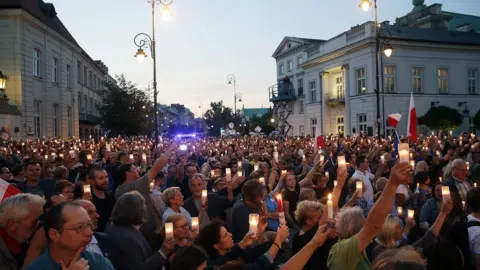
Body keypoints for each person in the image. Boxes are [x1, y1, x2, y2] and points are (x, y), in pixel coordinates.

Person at [327, 163, 412, 270]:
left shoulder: (355, 248)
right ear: (352, 232)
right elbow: (373, 225)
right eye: (363, 227)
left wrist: (339, 184)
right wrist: (392, 184)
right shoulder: (344, 250)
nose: (373, 235)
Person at [25, 202, 114, 269]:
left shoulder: (98, 262)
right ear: (54, 234)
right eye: (79, 227)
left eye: (89, 225)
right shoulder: (37, 267)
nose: (89, 232)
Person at [105, 191, 175, 270]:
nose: (144, 209)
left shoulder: (113, 226)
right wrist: (163, 252)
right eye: (142, 207)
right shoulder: (128, 238)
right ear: (135, 211)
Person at [0, 194, 45, 270]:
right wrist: (35, 249)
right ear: (12, 225)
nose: (38, 225)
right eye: (35, 221)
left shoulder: (19, 243)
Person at [88, 168, 115, 232]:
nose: (105, 180)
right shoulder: (88, 198)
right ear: (92, 181)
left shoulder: (110, 195)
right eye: (101, 178)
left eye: (106, 177)